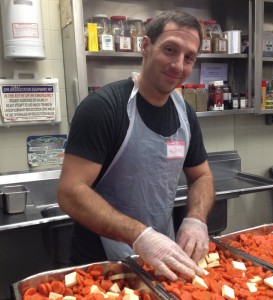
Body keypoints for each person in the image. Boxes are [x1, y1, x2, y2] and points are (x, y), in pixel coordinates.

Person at [57, 9, 215, 281]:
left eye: (189, 58)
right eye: (170, 49)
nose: (178, 65)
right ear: (145, 46)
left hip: (160, 263)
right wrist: (139, 236)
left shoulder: (185, 114)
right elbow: (70, 192)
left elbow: (201, 175)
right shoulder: (104, 108)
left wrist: (196, 218)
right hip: (102, 268)